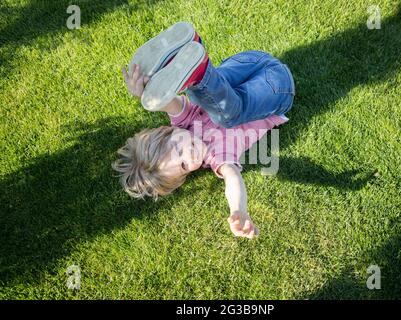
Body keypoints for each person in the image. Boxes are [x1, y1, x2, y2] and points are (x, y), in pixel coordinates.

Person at [114, 22, 295, 239]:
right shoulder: (216, 156)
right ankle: (196, 69)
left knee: (207, 98)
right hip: (276, 87)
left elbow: (165, 102)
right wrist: (238, 210)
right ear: (185, 174)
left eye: (177, 148)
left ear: (170, 131)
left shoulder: (184, 120)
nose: (188, 154)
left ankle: (181, 69)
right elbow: (232, 177)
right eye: (183, 164)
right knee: (226, 115)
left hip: (248, 63)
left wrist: (143, 93)